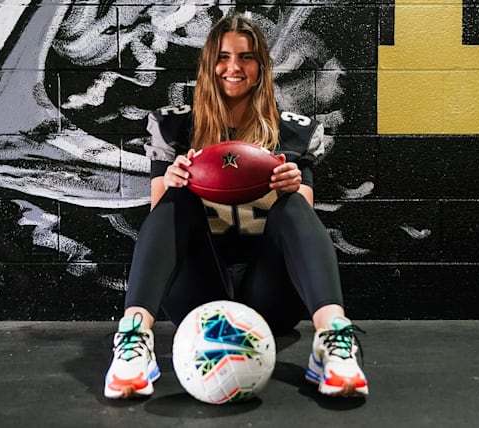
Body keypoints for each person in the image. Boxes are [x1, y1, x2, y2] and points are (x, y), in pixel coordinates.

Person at [104, 12, 368, 399]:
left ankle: (332, 339)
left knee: (292, 202)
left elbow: (302, 220)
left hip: (270, 292)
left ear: (261, 66)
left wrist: (292, 183)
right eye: (224, 56)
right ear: (210, 64)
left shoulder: (293, 129)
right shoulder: (175, 127)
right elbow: (159, 222)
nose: (234, 67)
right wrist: (174, 181)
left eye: (246, 57)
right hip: (199, 291)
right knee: (177, 200)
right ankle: (133, 339)